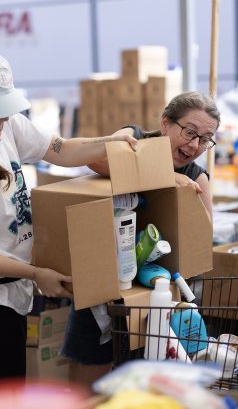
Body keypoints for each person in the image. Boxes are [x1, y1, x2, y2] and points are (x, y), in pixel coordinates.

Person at [0, 48, 137, 384]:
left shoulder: (5, 127)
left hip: (7, 298)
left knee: (8, 407)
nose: (1, 118)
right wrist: (35, 272)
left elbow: (61, 149)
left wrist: (110, 142)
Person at [62, 90, 220, 387]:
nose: (195, 145)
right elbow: (97, 161)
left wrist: (187, 198)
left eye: (205, 139)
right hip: (102, 283)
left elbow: (200, 243)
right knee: (88, 376)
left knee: (143, 384)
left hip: (156, 293)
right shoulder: (132, 138)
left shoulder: (197, 178)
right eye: (189, 132)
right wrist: (162, 176)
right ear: (165, 124)